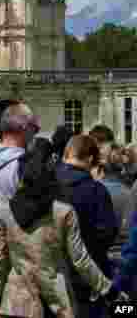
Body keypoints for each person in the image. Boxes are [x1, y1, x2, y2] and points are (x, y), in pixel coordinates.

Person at [0, 137, 118, 317]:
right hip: (55, 299)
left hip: (16, 301)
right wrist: (108, 289)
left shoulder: (5, 212)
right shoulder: (63, 212)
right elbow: (81, 260)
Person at [56, 134, 118, 318]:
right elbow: (107, 233)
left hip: (53, 274)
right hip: (89, 276)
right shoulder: (96, 191)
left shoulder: (47, 185)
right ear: (91, 159)